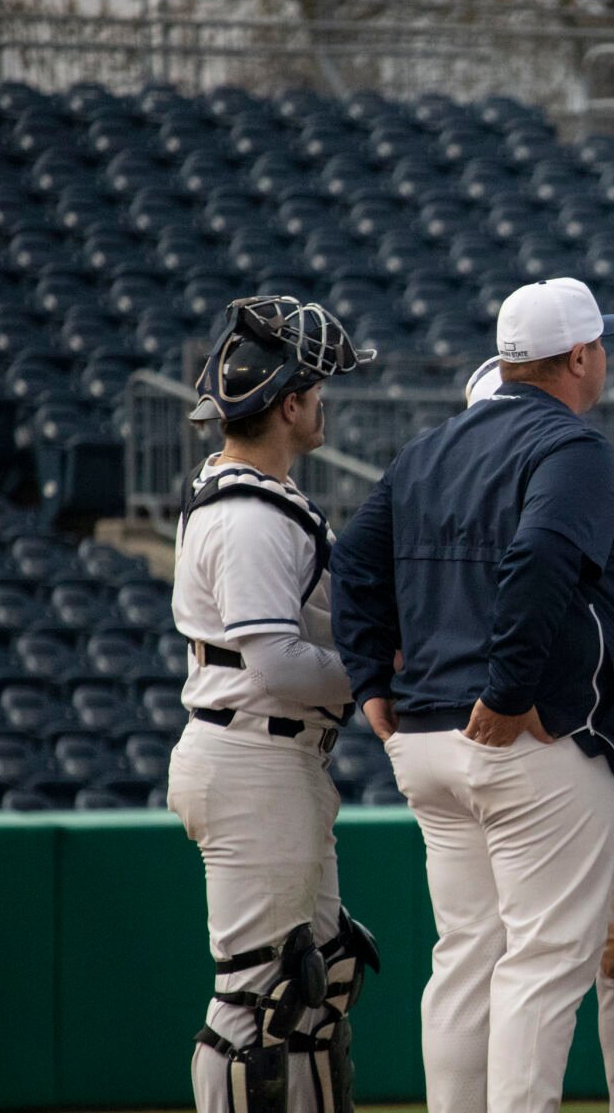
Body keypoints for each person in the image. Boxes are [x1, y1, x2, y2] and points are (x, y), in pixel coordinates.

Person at [329, 278, 614, 1113]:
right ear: (577, 356)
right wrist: (508, 687)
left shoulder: (428, 447)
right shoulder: (573, 446)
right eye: (599, 344)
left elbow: (353, 561)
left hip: (426, 737)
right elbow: (538, 557)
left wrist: (371, 683)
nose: (604, 355)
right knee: (541, 962)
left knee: (467, 955)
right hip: (521, 740)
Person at [166, 295, 380, 1113]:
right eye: (316, 389)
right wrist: (378, 669)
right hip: (252, 749)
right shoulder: (250, 513)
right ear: (287, 404)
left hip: (273, 754)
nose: (323, 401)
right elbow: (280, 665)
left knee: (320, 978)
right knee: (255, 998)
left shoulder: (255, 494)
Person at [465, 355, 614, 1113]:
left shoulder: (603, 472)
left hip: (582, 743)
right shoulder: (455, 477)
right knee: (492, 959)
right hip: (490, 741)